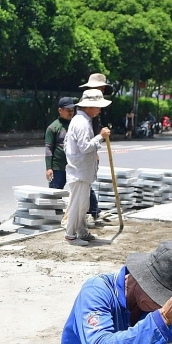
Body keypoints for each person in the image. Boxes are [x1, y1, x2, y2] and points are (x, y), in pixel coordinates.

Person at [64, 89, 111, 246]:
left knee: (82, 205)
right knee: (77, 206)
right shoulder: (81, 123)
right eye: (97, 107)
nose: (99, 110)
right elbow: (85, 147)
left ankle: (82, 232)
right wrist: (100, 136)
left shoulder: (82, 121)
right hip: (79, 171)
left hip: (81, 170)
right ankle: (70, 235)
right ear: (90, 107)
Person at [45, 97, 75, 190]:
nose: (70, 112)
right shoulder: (53, 128)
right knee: (55, 195)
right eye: (68, 110)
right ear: (60, 110)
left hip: (73, 166)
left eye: (72, 110)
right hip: (58, 168)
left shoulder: (74, 125)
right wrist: (49, 168)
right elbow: (48, 149)